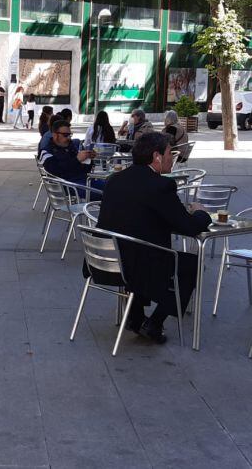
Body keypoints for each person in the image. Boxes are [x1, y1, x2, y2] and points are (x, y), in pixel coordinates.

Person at [95, 132, 211, 344]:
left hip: (106, 260)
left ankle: (136, 316)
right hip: (137, 265)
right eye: (170, 153)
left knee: (142, 250)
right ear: (157, 156)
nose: (172, 158)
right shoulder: (160, 185)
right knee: (192, 265)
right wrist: (201, 213)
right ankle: (155, 323)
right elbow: (189, 226)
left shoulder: (115, 180)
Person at [40, 119, 101, 199]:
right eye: (65, 135)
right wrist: (77, 160)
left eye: (70, 134)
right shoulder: (46, 151)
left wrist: (89, 158)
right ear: (55, 135)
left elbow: (84, 169)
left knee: (113, 185)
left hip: (83, 181)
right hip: (67, 187)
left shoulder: (70, 146)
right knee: (107, 193)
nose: (69, 138)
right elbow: (56, 171)